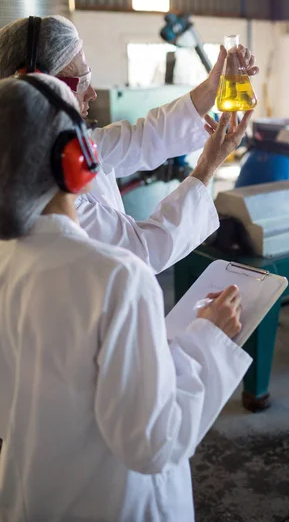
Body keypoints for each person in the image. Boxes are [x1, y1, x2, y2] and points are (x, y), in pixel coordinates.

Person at [0, 74, 253, 521]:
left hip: (31, 495)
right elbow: (152, 443)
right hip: (113, 504)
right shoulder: (116, 277)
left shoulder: (8, 260)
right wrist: (207, 338)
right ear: (76, 159)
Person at [0, 15, 259, 274]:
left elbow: (142, 138)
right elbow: (142, 253)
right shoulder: (43, 193)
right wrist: (207, 167)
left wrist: (212, 87)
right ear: (36, 88)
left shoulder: (60, 151)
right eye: (80, 84)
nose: (91, 94)